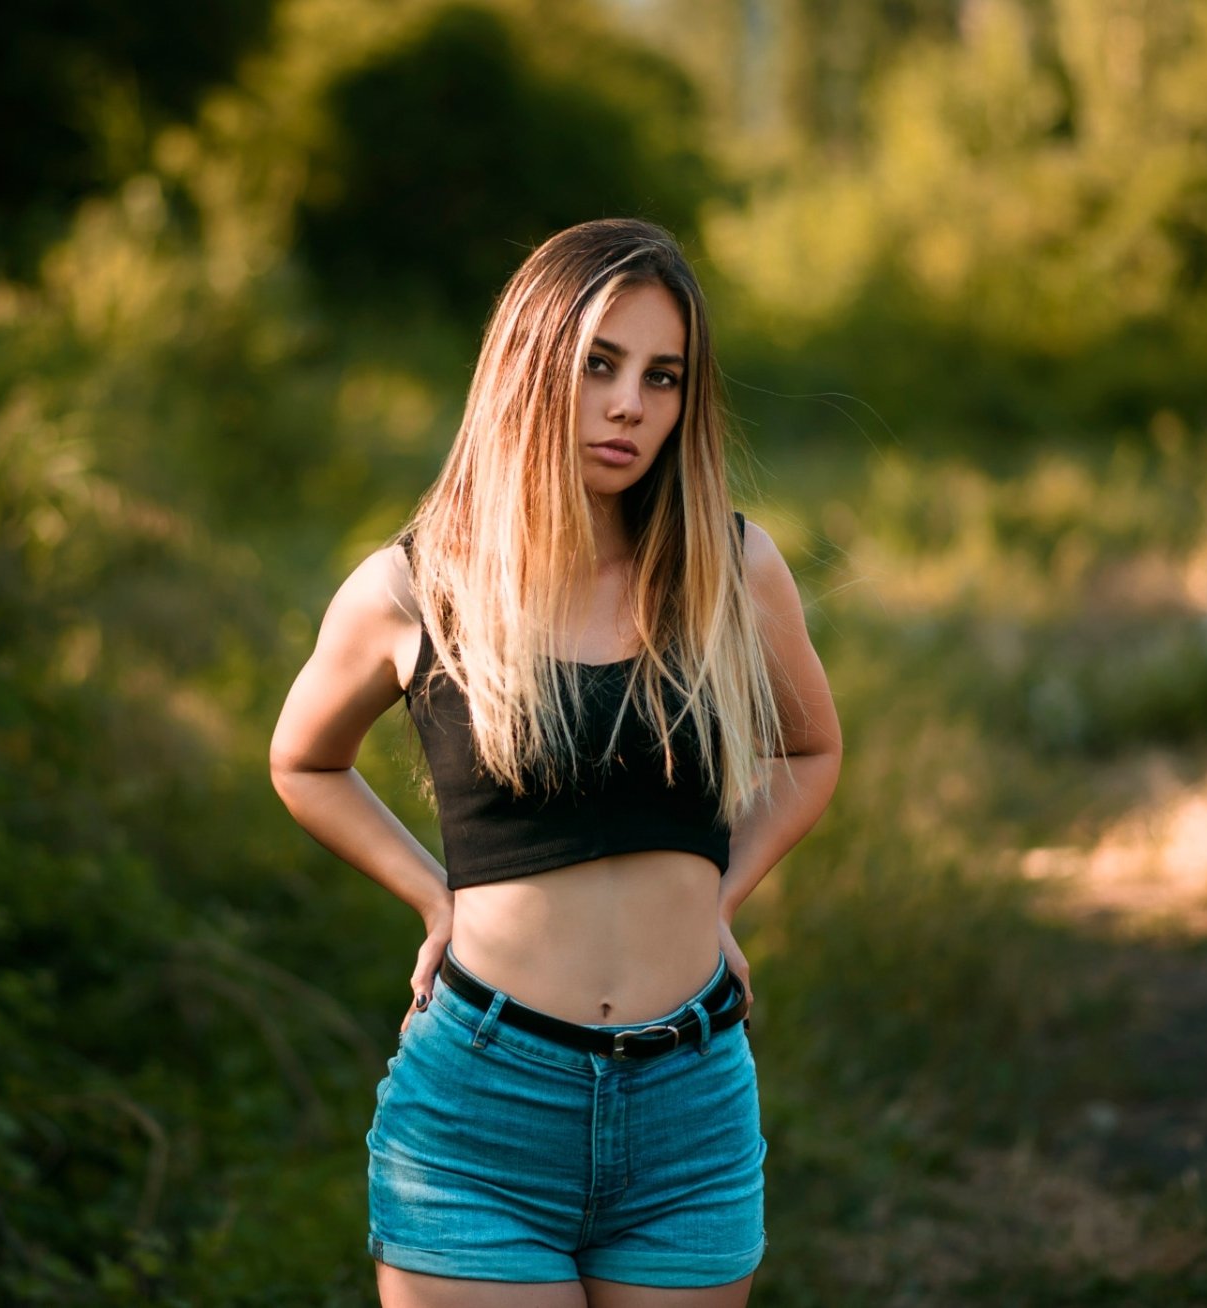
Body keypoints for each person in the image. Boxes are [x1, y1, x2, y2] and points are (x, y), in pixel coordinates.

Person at [269, 218, 841, 1308]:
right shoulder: (416, 589)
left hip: (692, 1113)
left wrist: (715, 899)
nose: (631, 404)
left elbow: (811, 750)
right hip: (481, 1117)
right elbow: (303, 762)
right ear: (530, 366)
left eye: (662, 376)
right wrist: (435, 901)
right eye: (599, 365)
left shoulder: (729, 568)